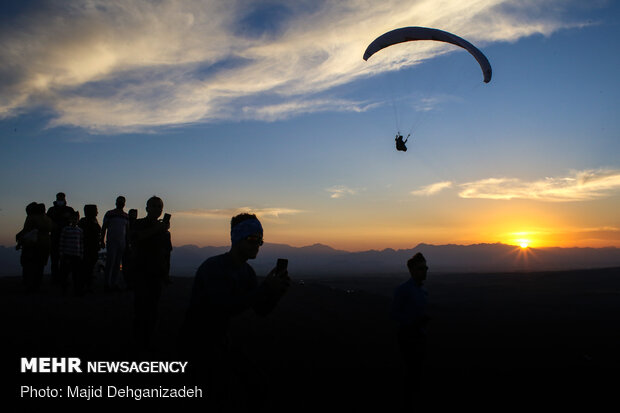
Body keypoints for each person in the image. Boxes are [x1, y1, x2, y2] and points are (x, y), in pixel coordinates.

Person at [181, 213, 290, 412]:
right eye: (252, 239)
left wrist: (277, 292)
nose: (257, 244)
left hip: (220, 340)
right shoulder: (214, 268)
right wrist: (265, 288)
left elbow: (261, 310)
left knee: (255, 386)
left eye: (260, 240)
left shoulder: (246, 272)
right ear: (237, 238)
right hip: (197, 343)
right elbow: (224, 307)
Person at [130, 196, 171, 351]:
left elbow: (166, 252)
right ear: (147, 208)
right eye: (153, 206)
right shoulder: (140, 223)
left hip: (156, 272)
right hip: (141, 270)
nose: (156, 209)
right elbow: (135, 238)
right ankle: (138, 340)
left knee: (153, 308)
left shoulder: (164, 230)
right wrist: (158, 229)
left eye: (159, 206)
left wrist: (165, 273)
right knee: (141, 307)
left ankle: (148, 338)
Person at [390, 252, 430, 408]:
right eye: (421, 268)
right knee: (410, 373)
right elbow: (394, 314)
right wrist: (412, 323)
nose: (425, 271)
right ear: (412, 270)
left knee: (417, 372)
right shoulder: (403, 290)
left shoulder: (423, 291)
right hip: (408, 338)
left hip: (420, 336)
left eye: (426, 268)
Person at [16, 203, 53, 292]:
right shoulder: (47, 219)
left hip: (31, 246)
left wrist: (20, 242)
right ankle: (37, 285)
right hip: (45, 245)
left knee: (28, 266)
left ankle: (28, 286)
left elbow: (26, 231)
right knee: (40, 267)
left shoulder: (31, 218)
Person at [101, 196, 129, 292]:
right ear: (116, 202)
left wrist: (127, 242)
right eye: (119, 201)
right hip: (112, 241)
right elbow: (104, 227)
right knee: (110, 262)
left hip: (122, 242)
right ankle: (107, 284)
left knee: (117, 263)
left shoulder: (126, 216)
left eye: (122, 202)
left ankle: (114, 283)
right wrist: (101, 239)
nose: (121, 203)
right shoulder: (110, 213)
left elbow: (127, 231)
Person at [47, 193, 76, 285]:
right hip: (54, 237)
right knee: (54, 259)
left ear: (64, 199)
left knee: (66, 260)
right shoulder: (51, 210)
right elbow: (47, 222)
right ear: (56, 198)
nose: (60, 199)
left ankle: (64, 278)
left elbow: (75, 220)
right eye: (59, 198)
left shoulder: (69, 210)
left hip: (67, 237)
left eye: (62, 198)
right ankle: (55, 279)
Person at [59, 211, 84, 295]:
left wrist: (81, 254)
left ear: (78, 219)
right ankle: (64, 289)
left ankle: (77, 290)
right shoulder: (66, 229)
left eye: (76, 219)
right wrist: (61, 252)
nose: (74, 220)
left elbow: (81, 243)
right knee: (65, 273)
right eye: (73, 219)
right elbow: (62, 241)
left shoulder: (80, 230)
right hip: (67, 254)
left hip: (76, 255)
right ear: (70, 219)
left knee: (76, 274)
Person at [78, 205, 101, 294]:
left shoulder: (93, 221)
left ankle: (87, 285)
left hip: (93, 248)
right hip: (87, 249)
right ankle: (83, 286)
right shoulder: (84, 222)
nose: (97, 212)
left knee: (89, 268)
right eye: (96, 210)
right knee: (86, 268)